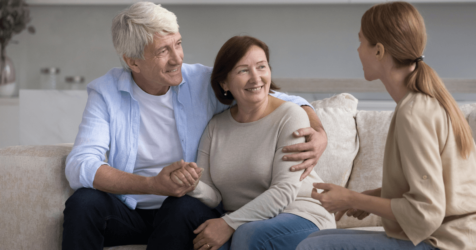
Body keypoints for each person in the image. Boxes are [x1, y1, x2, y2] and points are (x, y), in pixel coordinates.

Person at [62, 2, 329, 250]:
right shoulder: (106, 92)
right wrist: (153, 184)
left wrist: (317, 129)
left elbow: (268, 96)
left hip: (187, 208)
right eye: (163, 51)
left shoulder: (200, 81)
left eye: (178, 44)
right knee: (84, 203)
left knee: (179, 207)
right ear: (133, 62)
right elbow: (80, 165)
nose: (177, 58)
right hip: (132, 208)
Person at [297, 2, 476, 250]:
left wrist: (351, 197)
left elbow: (426, 211)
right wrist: (366, 199)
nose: (358, 50)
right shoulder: (423, 102)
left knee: (312, 247)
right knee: (312, 240)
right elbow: (433, 188)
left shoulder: (414, 113)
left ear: (379, 51)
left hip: (445, 243)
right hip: (457, 237)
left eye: (361, 42)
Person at [170, 36, 336, 250]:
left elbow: (283, 192)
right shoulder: (215, 127)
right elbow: (213, 195)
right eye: (243, 70)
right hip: (245, 222)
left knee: (249, 235)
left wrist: (228, 223)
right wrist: (190, 184)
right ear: (224, 83)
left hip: (300, 214)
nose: (255, 78)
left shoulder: (290, 115)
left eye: (261, 67)